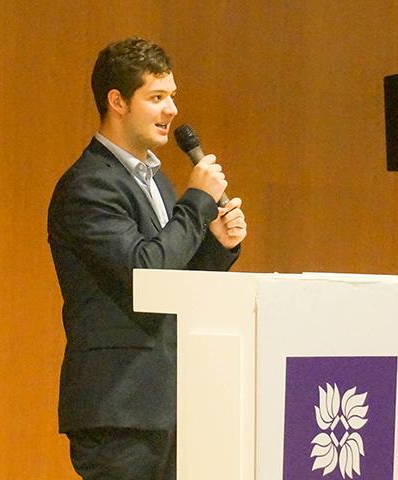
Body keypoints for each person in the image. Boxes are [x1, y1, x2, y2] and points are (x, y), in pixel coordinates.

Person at [47, 37, 248, 479]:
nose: (172, 110)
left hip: (170, 404)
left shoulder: (156, 182)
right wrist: (197, 203)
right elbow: (145, 272)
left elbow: (173, 287)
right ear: (117, 101)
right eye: (157, 97)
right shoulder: (89, 187)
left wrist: (216, 244)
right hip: (120, 407)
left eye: (172, 96)